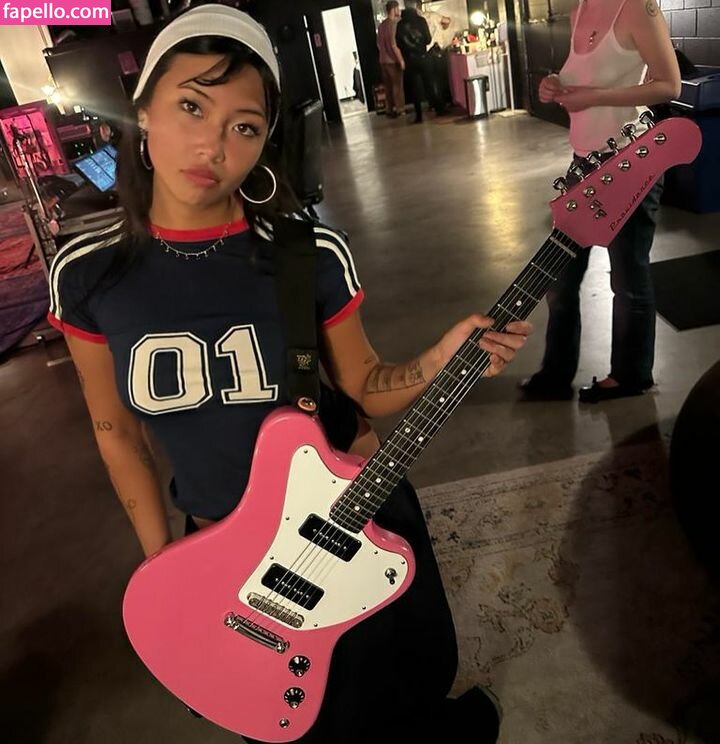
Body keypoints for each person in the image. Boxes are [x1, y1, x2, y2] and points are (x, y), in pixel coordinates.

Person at [48, 4, 531, 742]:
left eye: (244, 127)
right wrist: (164, 567)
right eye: (190, 107)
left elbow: (365, 386)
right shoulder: (89, 272)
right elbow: (115, 431)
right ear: (142, 110)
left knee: (404, 686)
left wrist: (441, 356)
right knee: (282, 720)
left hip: (353, 520)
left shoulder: (305, 253)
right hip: (223, 553)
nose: (213, 146)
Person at [520, 0, 681, 403]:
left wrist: (594, 97)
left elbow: (670, 84)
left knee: (627, 277)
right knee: (559, 276)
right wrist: (555, 82)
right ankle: (556, 373)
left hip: (629, 162)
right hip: (584, 163)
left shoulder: (637, 8)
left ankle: (631, 376)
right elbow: (582, 75)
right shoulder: (580, 9)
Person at [396, 0, 446, 123]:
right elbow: (428, 39)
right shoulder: (421, 21)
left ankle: (419, 116)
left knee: (415, 89)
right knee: (430, 84)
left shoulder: (400, 24)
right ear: (415, 6)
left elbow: (398, 42)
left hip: (409, 59)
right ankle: (439, 109)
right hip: (423, 57)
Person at [377, 0, 406, 118]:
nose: (399, 10)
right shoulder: (394, 24)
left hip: (382, 60)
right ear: (393, 9)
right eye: (398, 8)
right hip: (392, 61)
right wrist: (401, 60)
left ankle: (389, 109)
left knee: (388, 87)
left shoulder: (381, 26)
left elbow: (378, 44)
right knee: (397, 86)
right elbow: (394, 45)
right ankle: (400, 109)